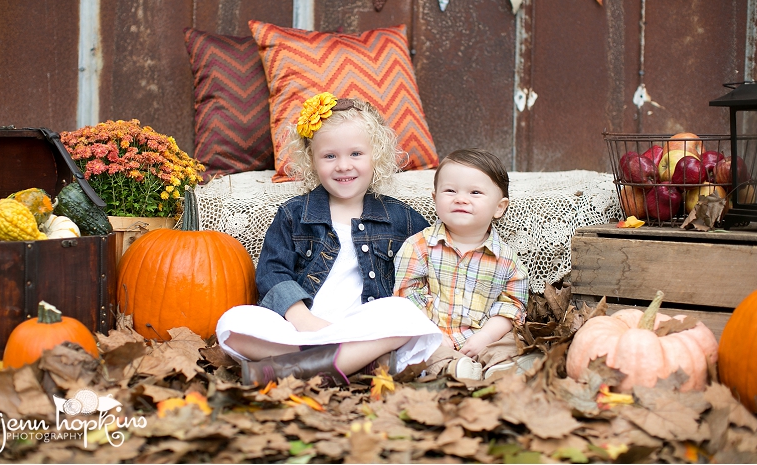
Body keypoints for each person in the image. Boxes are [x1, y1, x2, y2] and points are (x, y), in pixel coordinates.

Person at [215, 93, 441, 387]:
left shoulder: (403, 219)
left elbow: (429, 270)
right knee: (233, 324)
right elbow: (273, 273)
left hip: (365, 328)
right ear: (312, 160)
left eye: (356, 154)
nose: (343, 166)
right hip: (303, 328)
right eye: (330, 156)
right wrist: (302, 320)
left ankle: (292, 368)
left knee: (403, 314)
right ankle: (361, 363)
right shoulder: (294, 215)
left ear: (377, 155)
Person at [393, 148, 529, 380]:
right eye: (450, 191)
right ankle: (452, 368)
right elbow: (407, 294)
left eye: (475, 192)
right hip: (432, 332)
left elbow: (511, 307)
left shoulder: (506, 260)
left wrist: (484, 337)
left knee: (509, 341)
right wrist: (430, 331)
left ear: (499, 207)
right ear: (435, 199)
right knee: (413, 345)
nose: (461, 199)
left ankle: (500, 366)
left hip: (484, 334)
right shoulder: (419, 246)